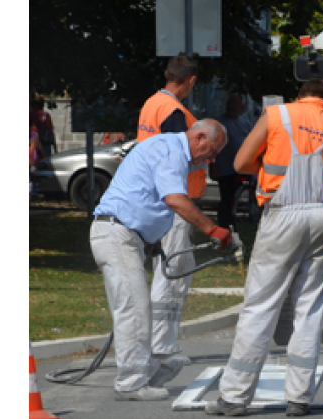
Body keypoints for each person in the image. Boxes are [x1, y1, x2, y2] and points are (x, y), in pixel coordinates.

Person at [205, 79, 323, 417]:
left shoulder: (276, 115)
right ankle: (300, 397)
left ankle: (234, 397)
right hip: (320, 215)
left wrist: (271, 168)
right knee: (309, 306)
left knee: (261, 304)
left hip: (282, 213)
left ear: (299, 97)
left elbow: (241, 163)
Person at [90, 120, 231, 401]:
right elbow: (175, 199)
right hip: (117, 233)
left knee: (136, 306)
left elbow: (149, 195)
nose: (211, 159)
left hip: (125, 235)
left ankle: (149, 370)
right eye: (212, 151)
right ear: (199, 137)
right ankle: (131, 383)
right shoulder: (172, 151)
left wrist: (152, 237)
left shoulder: (167, 147)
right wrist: (213, 230)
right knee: (133, 308)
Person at [136, 53, 204, 366]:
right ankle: (161, 344)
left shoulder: (152, 103)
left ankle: (163, 340)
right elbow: (177, 155)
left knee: (176, 266)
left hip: (160, 197)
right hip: (174, 200)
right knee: (172, 271)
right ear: (191, 81)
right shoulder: (174, 112)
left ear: (167, 74)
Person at [211, 92, 254, 230]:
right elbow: (211, 146)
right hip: (225, 169)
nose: (232, 106)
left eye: (235, 104)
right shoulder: (218, 122)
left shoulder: (245, 124)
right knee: (227, 200)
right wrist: (212, 166)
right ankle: (225, 227)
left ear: (241, 107)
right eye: (230, 103)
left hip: (242, 167)